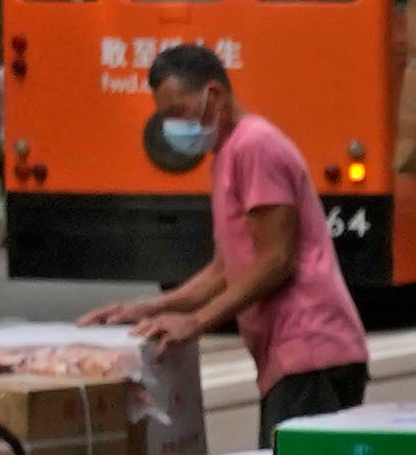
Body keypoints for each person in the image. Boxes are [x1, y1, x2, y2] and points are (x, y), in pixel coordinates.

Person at [119, 37, 375, 421]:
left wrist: (197, 322)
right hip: (288, 358)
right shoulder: (228, 154)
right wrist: (149, 308)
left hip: (311, 352)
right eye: (166, 118)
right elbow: (224, 270)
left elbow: (276, 259)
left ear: (214, 94)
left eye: (180, 111)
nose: (175, 126)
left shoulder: (256, 147)